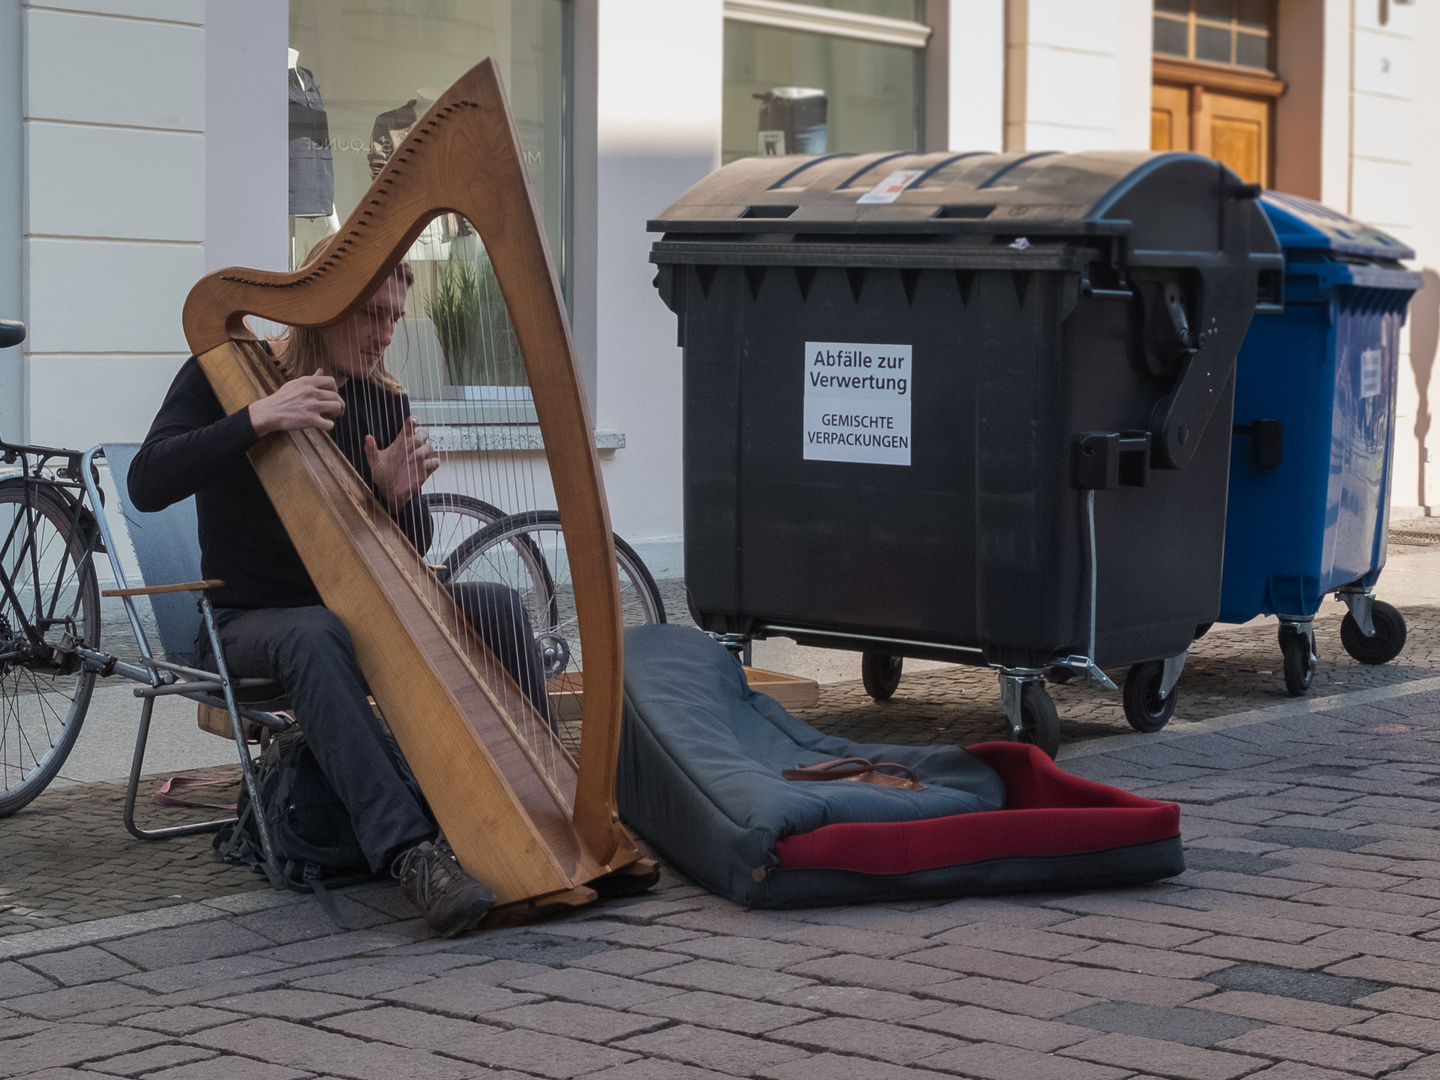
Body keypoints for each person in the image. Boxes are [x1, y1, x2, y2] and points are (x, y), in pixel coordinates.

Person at [129, 264, 528, 938]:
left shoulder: (381, 401)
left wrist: (394, 499)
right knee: (314, 632)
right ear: (324, 305)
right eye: (370, 313)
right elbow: (147, 481)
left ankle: (525, 814)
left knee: (495, 605)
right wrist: (259, 417)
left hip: (357, 617)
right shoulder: (224, 376)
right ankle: (411, 856)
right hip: (247, 621)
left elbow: (408, 548)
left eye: (395, 318)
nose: (383, 334)